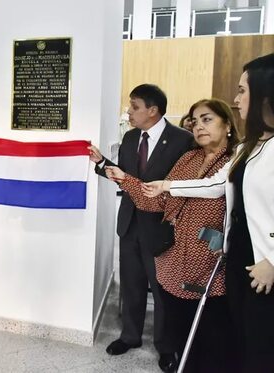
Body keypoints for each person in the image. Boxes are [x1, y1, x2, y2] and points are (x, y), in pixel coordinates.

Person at [144, 53, 274, 373]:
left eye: (242, 90)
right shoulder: (252, 144)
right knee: (240, 349)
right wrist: (167, 186)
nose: (236, 100)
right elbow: (217, 184)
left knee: (265, 356)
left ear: (268, 92)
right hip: (240, 261)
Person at [105, 98, 239, 372]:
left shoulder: (237, 163)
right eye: (194, 120)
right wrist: (125, 179)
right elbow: (158, 201)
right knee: (178, 330)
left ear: (227, 125)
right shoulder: (189, 159)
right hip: (172, 261)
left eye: (207, 119)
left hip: (212, 266)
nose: (199, 126)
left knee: (211, 339)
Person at [88, 84, 193, 372]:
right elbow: (126, 177)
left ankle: (165, 345)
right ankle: (130, 336)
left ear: (153, 110)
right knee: (131, 285)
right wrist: (101, 163)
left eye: (134, 107)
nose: (129, 112)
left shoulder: (182, 140)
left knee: (162, 291)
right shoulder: (131, 137)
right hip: (130, 225)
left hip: (161, 229)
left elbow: (181, 188)